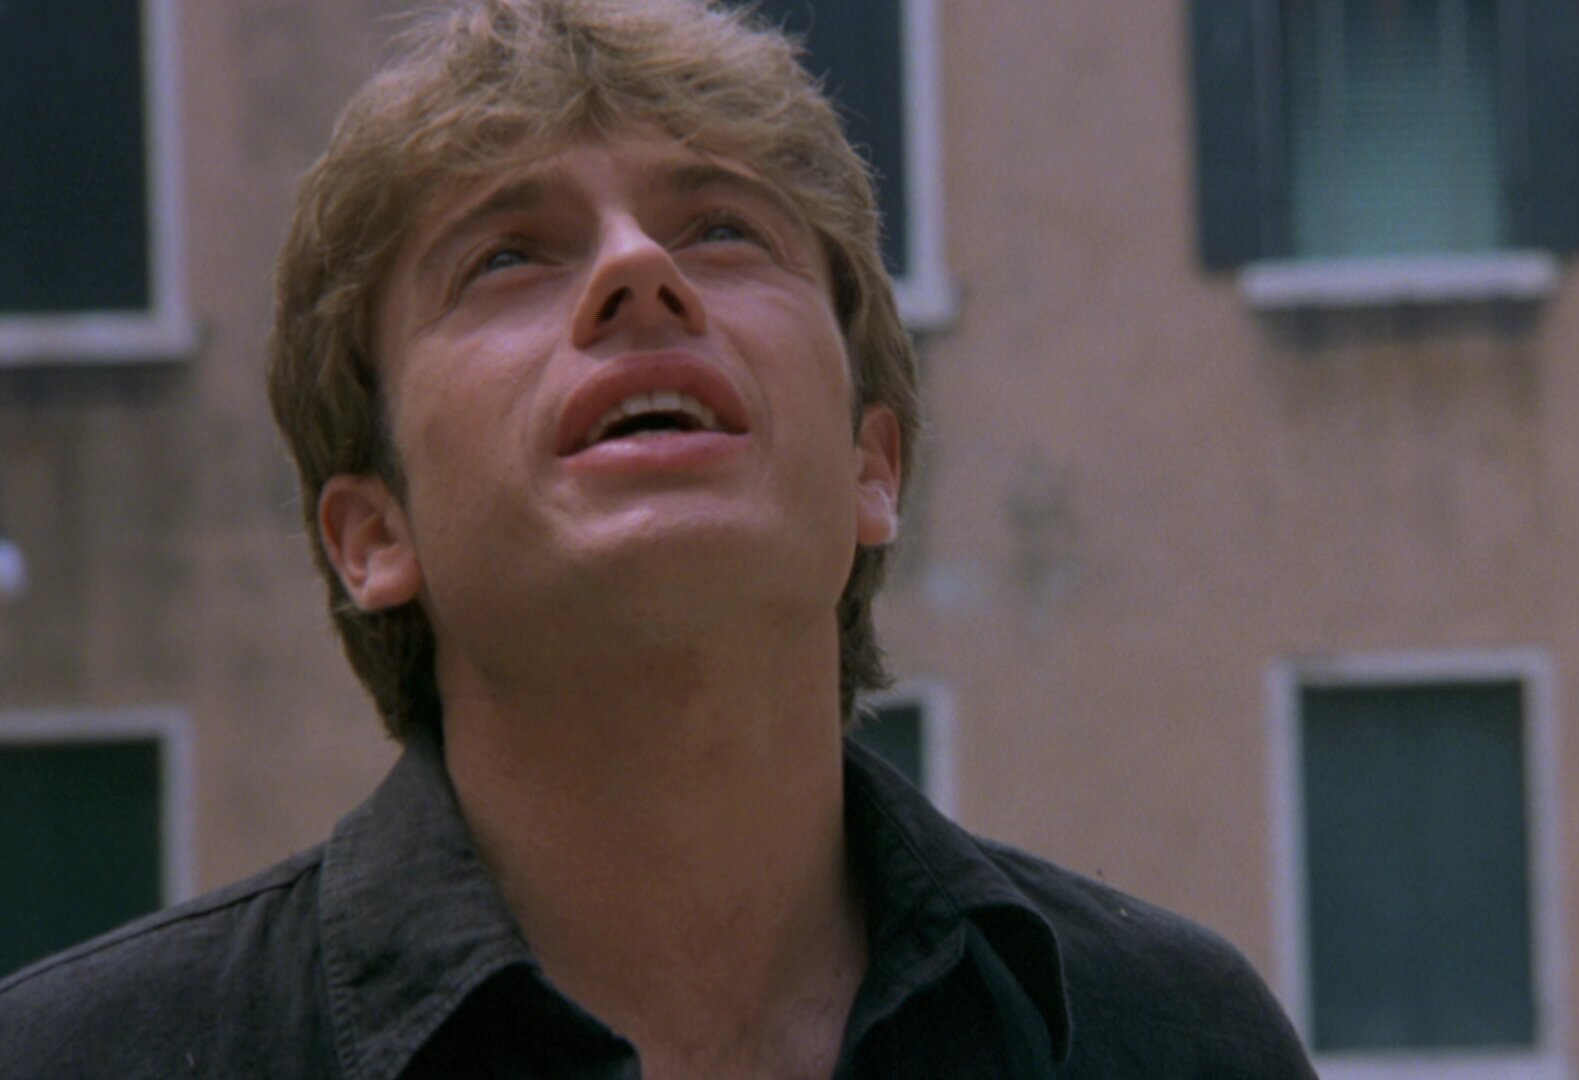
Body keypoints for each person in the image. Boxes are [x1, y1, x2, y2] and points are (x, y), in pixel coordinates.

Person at [0, 1, 1317, 1076]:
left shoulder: (1172, 1041)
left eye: (724, 230)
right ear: (372, 536)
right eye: (508, 257)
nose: (640, 270)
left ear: (873, 471)